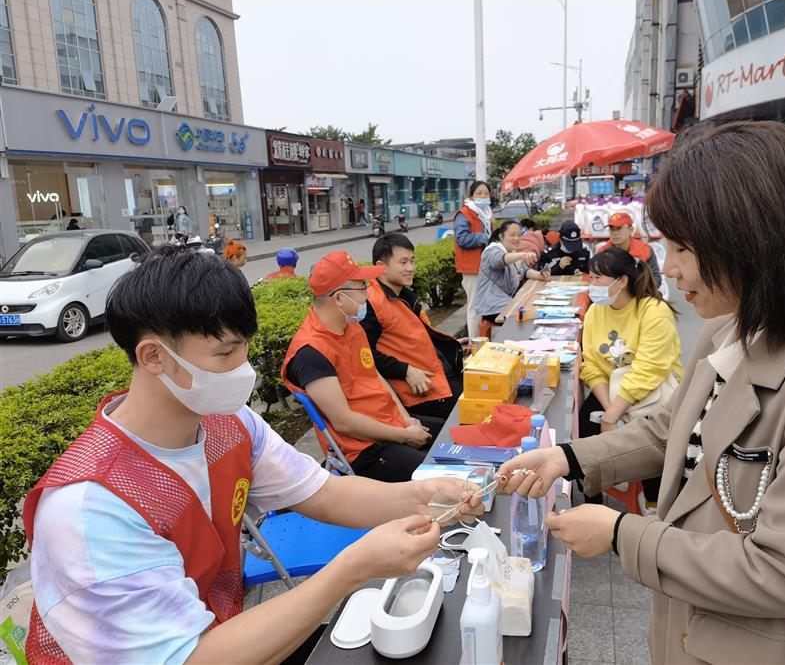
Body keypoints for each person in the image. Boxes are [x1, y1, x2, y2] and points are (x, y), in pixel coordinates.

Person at [498, 120, 785, 663]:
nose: (670, 268)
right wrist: (568, 457)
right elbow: (677, 428)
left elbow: (784, 573)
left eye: (685, 247)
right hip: (688, 625)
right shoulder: (730, 325)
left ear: (753, 240)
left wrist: (621, 534)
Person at [23, 246, 483, 663]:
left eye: (244, 347)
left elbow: (323, 492)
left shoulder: (229, 424)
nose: (243, 368)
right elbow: (188, 657)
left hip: (226, 631)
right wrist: (354, 566)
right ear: (153, 357)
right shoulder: (89, 508)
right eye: (226, 353)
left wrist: (426, 495)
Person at [281, 251, 438, 482]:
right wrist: (404, 435)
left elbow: (374, 375)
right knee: (441, 476)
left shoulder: (351, 326)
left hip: (390, 424)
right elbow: (344, 421)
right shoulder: (310, 353)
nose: (368, 293)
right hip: (363, 451)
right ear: (338, 298)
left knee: (452, 435)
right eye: (362, 287)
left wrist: (406, 419)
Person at [579, 247, 683, 514]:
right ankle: (593, 502)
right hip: (611, 389)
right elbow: (591, 365)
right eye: (590, 279)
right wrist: (607, 408)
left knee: (652, 437)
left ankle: (655, 504)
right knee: (585, 425)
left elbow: (649, 370)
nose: (592, 286)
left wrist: (612, 416)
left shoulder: (654, 311)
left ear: (621, 281)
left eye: (598, 279)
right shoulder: (594, 312)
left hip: (653, 390)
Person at [362, 233, 465, 423]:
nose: (410, 268)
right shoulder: (371, 303)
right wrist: (405, 371)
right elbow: (365, 355)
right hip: (419, 391)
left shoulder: (403, 294)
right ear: (380, 266)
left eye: (412, 261)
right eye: (403, 262)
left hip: (436, 377)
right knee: (478, 408)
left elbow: (412, 337)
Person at [474, 220, 548, 336]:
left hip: (505, 302)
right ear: (501, 236)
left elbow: (524, 271)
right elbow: (499, 260)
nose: (516, 238)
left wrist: (540, 275)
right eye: (512, 235)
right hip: (491, 306)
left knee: (535, 308)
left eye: (519, 235)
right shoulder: (492, 250)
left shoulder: (512, 252)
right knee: (529, 316)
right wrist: (522, 255)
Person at [454, 181, 492, 339]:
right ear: (471, 196)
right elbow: (461, 239)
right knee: (474, 307)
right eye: (479, 193)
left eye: (486, 193)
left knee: (482, 306)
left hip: (484, 266)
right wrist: (484, 237)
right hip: (472, 268)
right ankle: (474, 341)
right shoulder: (464, 214)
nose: (483, 196)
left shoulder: (485, 214)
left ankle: (482, 338)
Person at [600, 211, 663, 288]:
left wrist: (638, 290)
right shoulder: (602, 253)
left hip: (640, 296)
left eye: (619, 228)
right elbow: (596, 280)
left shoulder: (646, 251)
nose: (615, 233)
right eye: (612, 229)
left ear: (631, 230)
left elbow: (656, 279)